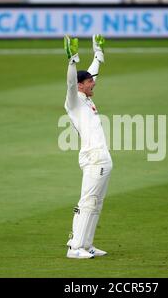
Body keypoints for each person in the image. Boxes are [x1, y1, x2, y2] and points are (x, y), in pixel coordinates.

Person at [64, 34, 113, 258]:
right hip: (93, 158)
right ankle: (75, 247)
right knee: (87, 202)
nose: (94, 83)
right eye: (89, 82)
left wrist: (98, 54)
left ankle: (87, 244)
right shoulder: (73, 100)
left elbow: (92, 71)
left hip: (101, 158)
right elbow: (71, 81)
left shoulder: (87, 98)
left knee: (96, 203)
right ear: (80, 85)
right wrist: (72, 60)